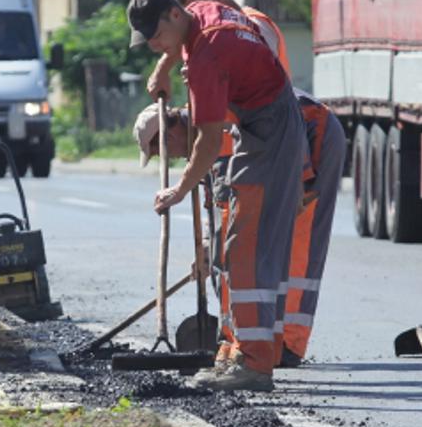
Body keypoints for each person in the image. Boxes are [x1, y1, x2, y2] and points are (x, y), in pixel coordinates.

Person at [127, 0, 305, 392]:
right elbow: (185, 41)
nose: (155, 46)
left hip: (270, 130)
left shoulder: (208, 56)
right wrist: (163, 68)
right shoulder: (200, 12)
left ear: (173, 15)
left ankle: (255, 365)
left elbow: (206, 141)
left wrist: (177, 190)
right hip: (264, 122)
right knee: (240, 246)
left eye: (156, 38)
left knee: (245, 247)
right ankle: (238, 351)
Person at [133, 89, 345, 368]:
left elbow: (231, 204)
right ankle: (249, 340)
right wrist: (208, 247)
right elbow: (218, 202)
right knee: (239, 248)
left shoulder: (216, 123)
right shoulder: (204, 135)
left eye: (163, 153)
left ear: (169, 136)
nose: (170, 160)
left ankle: (288, 344)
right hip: (283, 139)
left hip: (314, 134)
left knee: (299, 243)